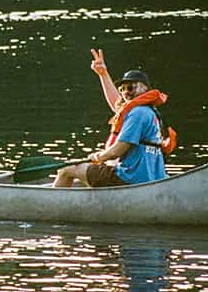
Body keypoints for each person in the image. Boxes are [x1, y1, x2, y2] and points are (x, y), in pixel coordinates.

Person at [53, 48, 174, 188]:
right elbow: (117, 105)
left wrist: (99, 156)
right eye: (122, 89)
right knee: (93, 172)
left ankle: (50, 206)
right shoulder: (151, 113)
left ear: (145, 88)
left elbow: (118, 149)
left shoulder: (138, 113)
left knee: (66, 170)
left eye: (130, 87)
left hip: (129, 178)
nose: (125, 92)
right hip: (152, 178)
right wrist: (103, 74)